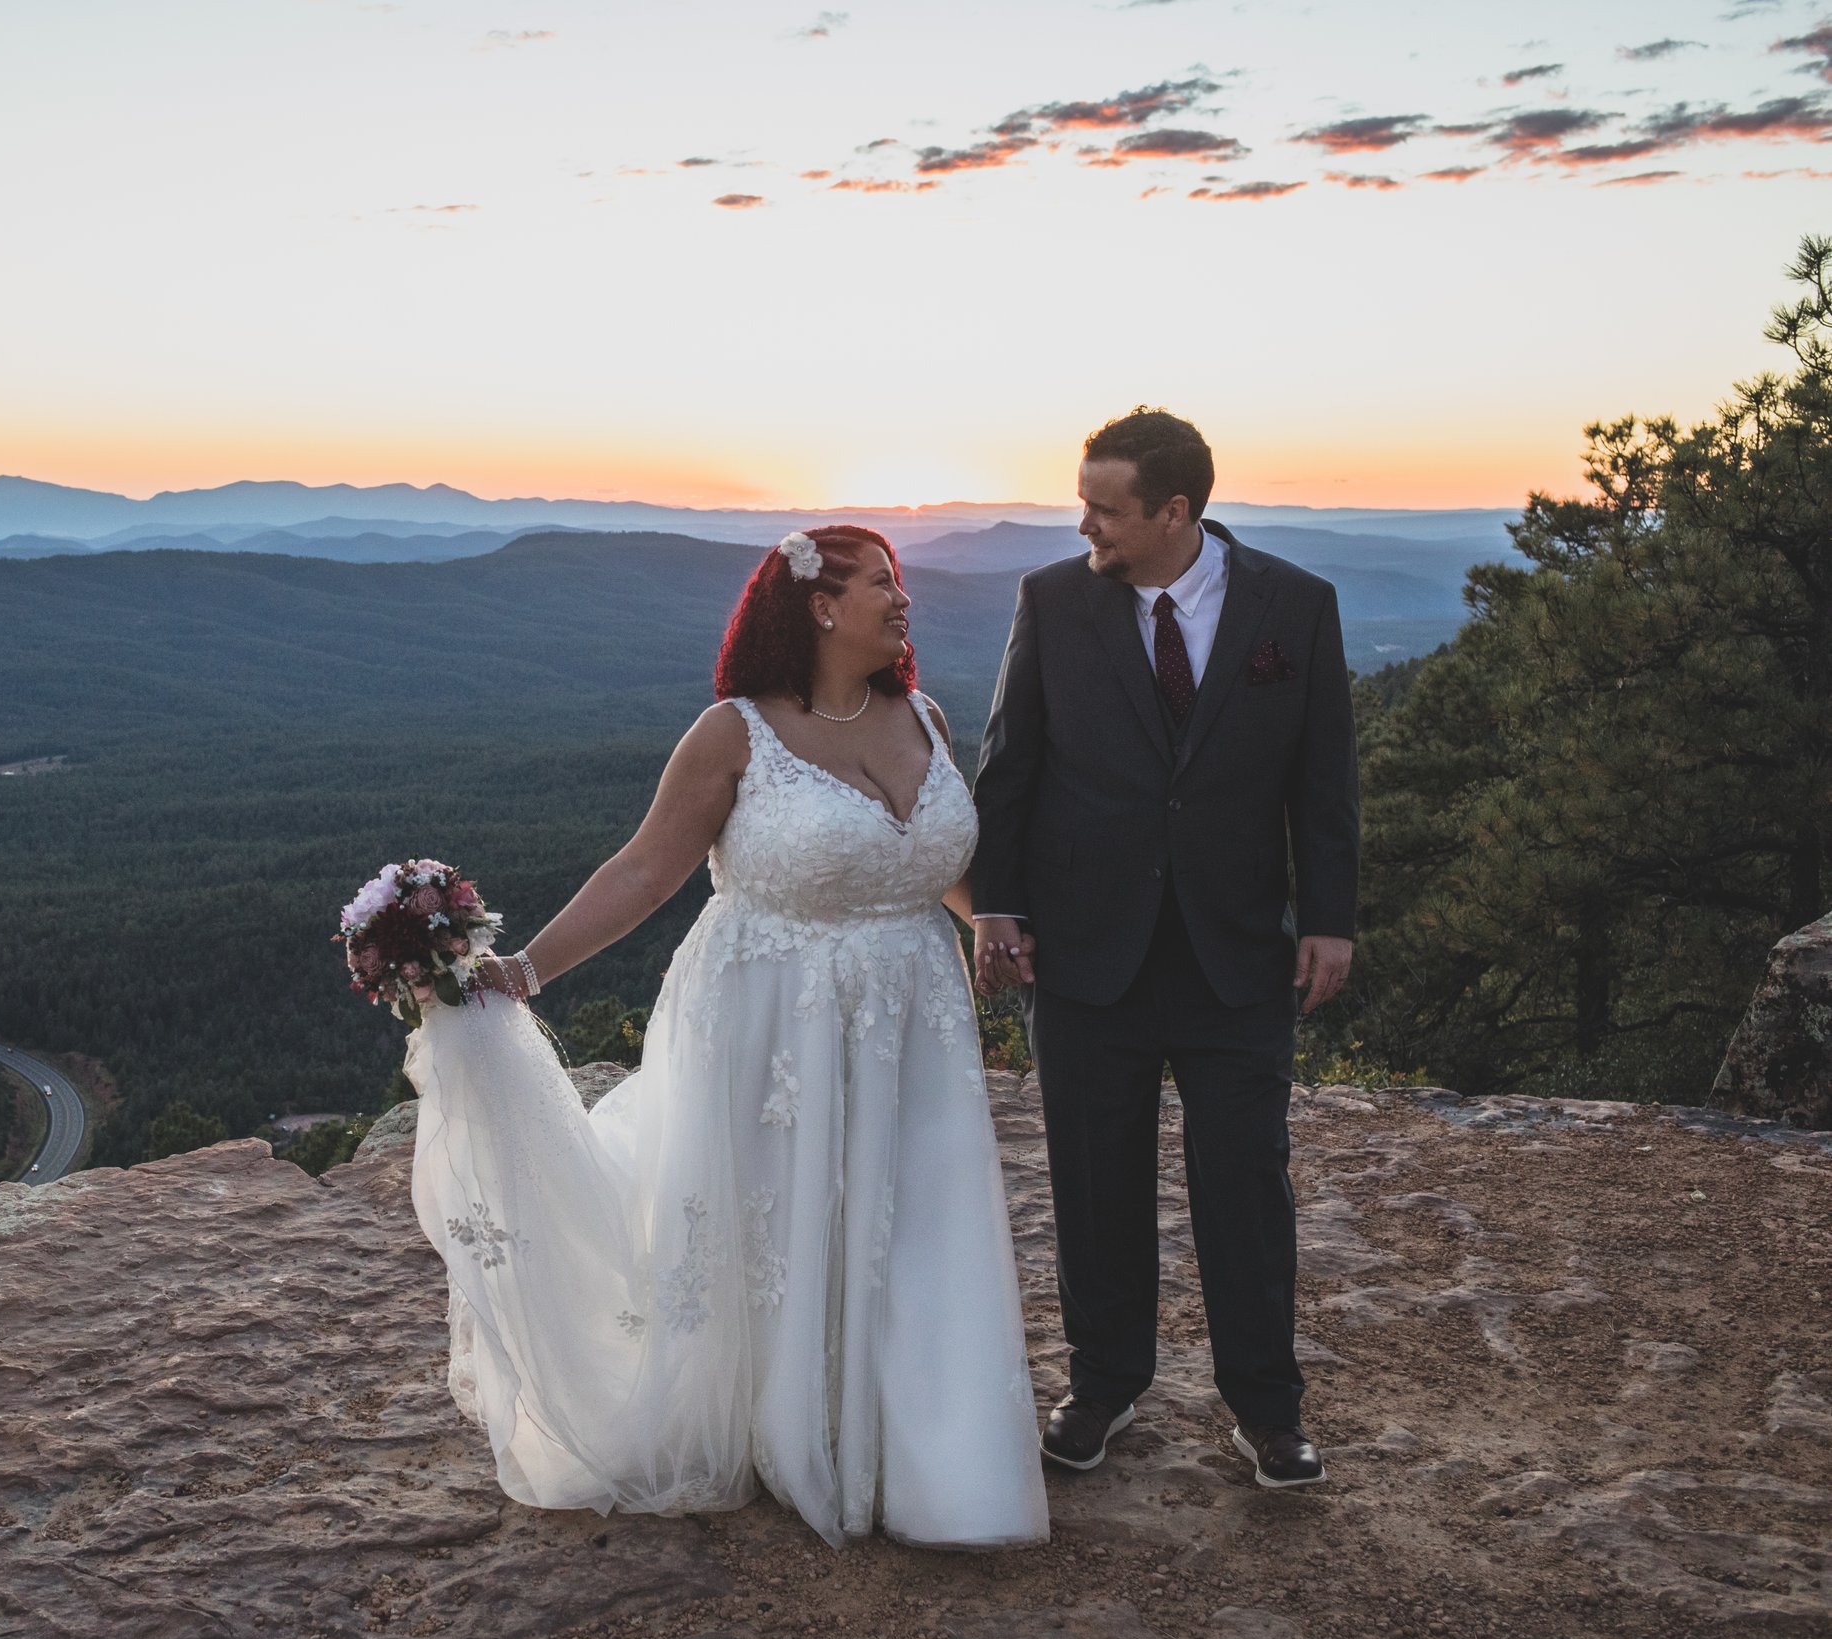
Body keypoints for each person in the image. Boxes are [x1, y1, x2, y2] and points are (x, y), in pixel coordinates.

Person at [408, 525, 1049, 1549]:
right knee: (774, 1220)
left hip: (913, 1021)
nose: (903, 602)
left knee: (914, 1217)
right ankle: (776, 1421)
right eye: (883, 585)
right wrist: (526, 968)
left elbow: (928, 861)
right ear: (819, 607)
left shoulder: (918, 711)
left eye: (901, 586)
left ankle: (924, 1446)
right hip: (769, 1020)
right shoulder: (734, 732)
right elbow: (643, 870)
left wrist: (997, 923)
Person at [968, 408, 1358, 1489]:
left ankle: (1268, 1411)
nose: (1081, 521)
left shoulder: (1296, 606)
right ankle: (1101, 1387)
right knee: (1094, 1182)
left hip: (1238, 956)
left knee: (1244, 1181)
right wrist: (994, 906)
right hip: (1087, 951)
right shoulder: (1050, 601)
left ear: (1174, 511)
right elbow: (1011, 762)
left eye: (1104, 506)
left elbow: (1323, 781)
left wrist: (1329, 916)